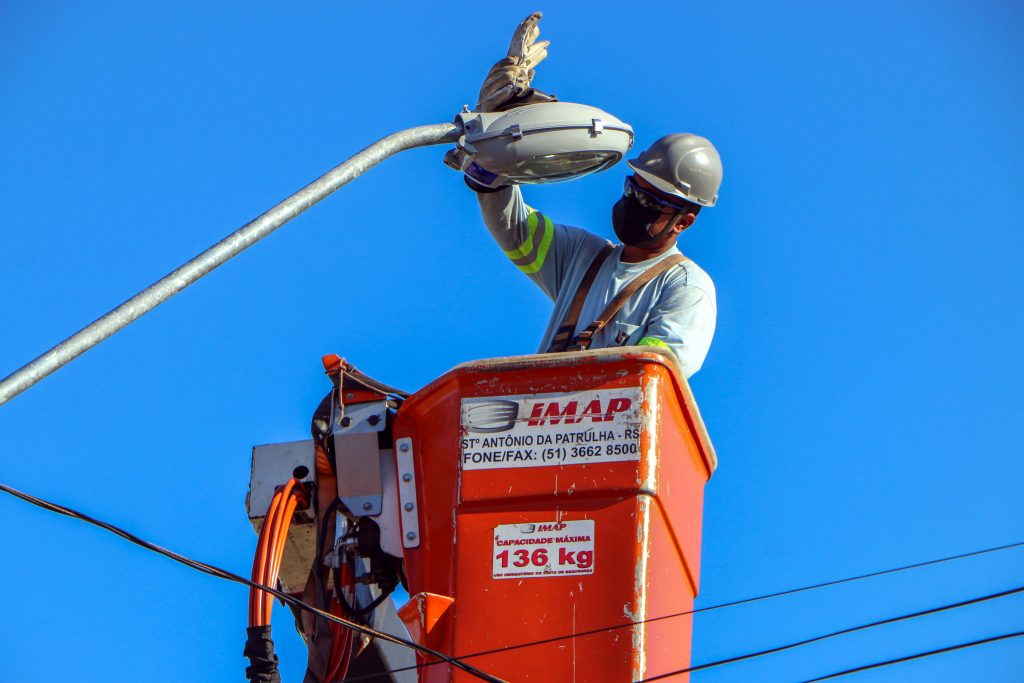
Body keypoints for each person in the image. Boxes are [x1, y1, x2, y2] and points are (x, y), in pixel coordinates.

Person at [456, 14, 721, 378]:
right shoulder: (583, 256)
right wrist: (494, 146)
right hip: (540, 428)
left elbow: (658, 372)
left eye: (652, 203)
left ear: (685, 221)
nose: (636, 204)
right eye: (634, 190)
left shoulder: (684, 285)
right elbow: (513, 227)